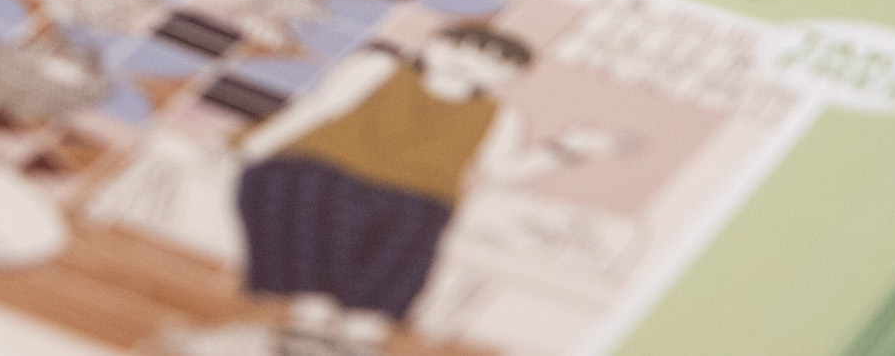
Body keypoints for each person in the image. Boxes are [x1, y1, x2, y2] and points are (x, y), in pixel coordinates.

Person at [229, 23, 619, 356]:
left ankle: (359, 338)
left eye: (491, 61)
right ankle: (309, 326)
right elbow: (321, 108)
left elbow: (502, 170)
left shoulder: (500, 115)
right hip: (335, 174)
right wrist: (252, 146)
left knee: (396, 261)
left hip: (419, 199)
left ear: (509, 77)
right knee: (318, 219)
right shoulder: (381, 68)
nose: (466, 61)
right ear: (432, 44)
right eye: (457, 47)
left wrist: (567, 149)